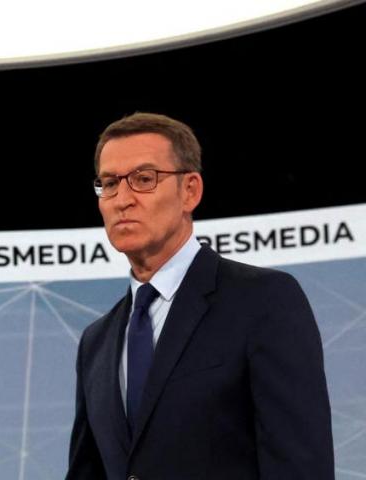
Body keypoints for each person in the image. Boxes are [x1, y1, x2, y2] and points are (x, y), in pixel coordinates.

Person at [66, 112, 333, 479]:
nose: (122, 199)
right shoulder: (95, 343)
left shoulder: (263, 301)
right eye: (109, 183)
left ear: (190, 191)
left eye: (144, 179)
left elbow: (300, 466)